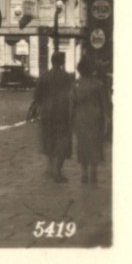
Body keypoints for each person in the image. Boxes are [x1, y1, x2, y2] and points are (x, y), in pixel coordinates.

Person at [32, 51, 73, 182]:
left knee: (49, 139)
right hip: (62, 113)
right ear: (61, 62)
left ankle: (51, 167)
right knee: (62, 141)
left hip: (47, 113)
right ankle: (57, 170)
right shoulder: (66, 77)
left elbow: (37, 95)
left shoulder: (45, 76)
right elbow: (71, 95)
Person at [72, 57, 108, 185]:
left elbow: (73, 104)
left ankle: (84, 173)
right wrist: (106, 120)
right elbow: (105, 104)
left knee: (82, 144)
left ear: (80, 69)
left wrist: (71, 120)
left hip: (80, 118)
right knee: (95, 144)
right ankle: (93, 171)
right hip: (95, 118)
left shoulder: (76, 84)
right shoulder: (99, 84)